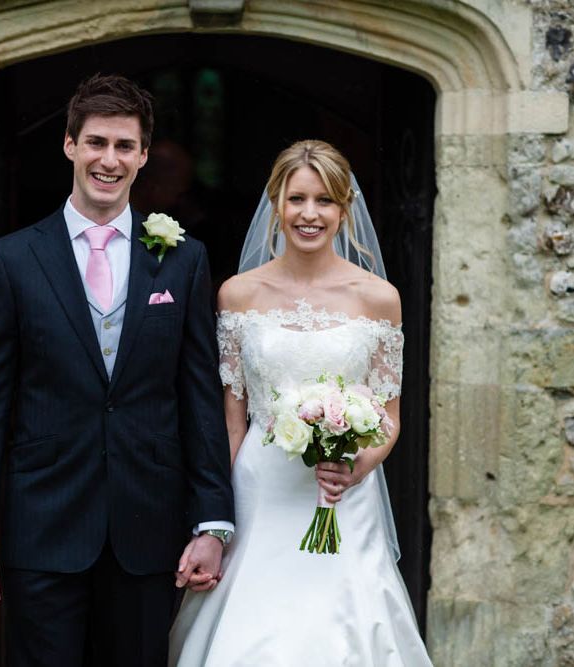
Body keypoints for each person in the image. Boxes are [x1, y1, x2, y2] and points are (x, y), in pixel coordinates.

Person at [0, 73, 234, 666]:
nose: (110, 159)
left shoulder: (183, 260)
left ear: (144, 156)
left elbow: (199, 395)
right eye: (98, 142)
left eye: (125, 146)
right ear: (70, 146)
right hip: (41, 525)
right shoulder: (14, 259)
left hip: (148, 527)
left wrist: (213, 521)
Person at [169, 140, 432, 665]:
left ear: (343, 210)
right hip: (259, 492)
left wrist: (356, 466)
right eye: (296, 199)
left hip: (341, 495)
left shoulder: (379, 298)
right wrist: (213, 520)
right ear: (276, 204)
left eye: (325, 201)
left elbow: (389, 418)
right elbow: (232, 420)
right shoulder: (238, 294)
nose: (309, 214)